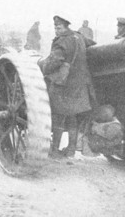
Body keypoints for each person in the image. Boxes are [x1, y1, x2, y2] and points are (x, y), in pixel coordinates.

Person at [38, 15, 95, 158]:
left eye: (59, 28)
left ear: (65, 27)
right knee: (72, 117)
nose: (56, 31)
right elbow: (92, 45)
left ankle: (55, 150)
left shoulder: (62, 41)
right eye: (55, 28)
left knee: (58, 116)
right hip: (80, 84)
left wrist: (41, 65)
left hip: (63, 85)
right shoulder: (79, 37)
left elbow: (54, 62)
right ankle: (70, 150)